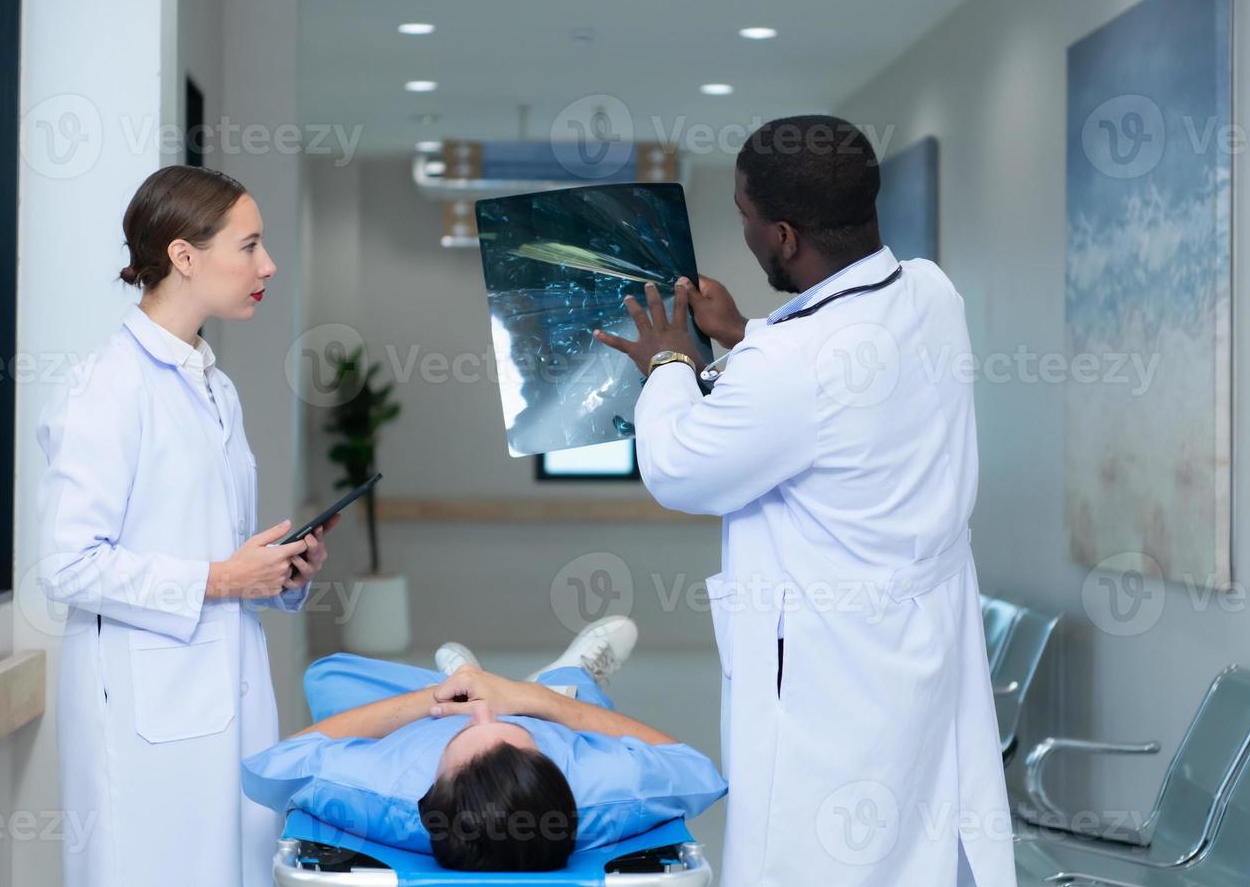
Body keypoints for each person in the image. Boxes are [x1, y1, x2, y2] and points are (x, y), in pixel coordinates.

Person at [593, 115, 1016, 886]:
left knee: (823, 858)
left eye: (745, 218)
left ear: (783, 237)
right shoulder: (932, 293)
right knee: (916, 847)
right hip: (923, 649)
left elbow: (680, 466)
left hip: (832, 678)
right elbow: (846, 383)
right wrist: (748, 334)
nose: (746, 233)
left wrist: (669, 365)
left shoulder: (789, 366)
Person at [36, 165, 340, 887]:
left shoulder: (213, 384)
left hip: (220, 691)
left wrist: (275, 576)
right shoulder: (106, 388)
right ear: (183, 255)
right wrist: (223, 577)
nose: (267, 266)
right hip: (146, 713)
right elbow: (68, 563)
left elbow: (212, 554)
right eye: (250, 246)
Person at [241, 616, 726, 872]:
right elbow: (690, 765)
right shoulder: (603, 788)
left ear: (427, 796)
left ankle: (462, 676)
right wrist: (533, 703)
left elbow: (271, 763)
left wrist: (432, 699)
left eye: (471, 731)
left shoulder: (381, 791)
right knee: (576, 700)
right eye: (516, 732)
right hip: (553, 718)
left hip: (421, 722)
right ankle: (564, 682)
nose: (483, 711)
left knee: (328, 676)